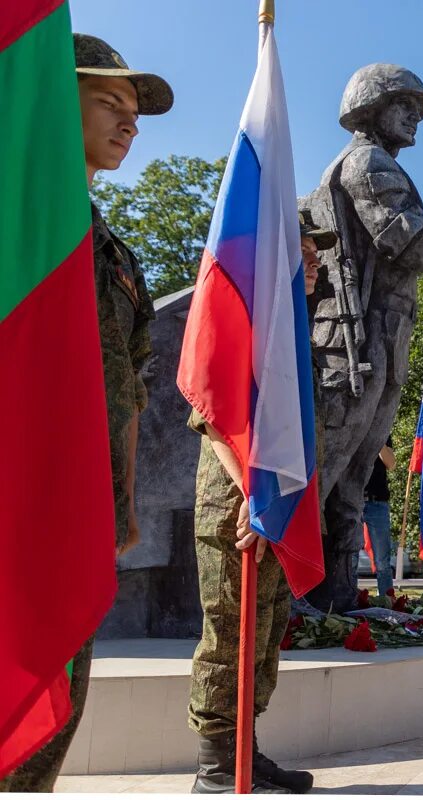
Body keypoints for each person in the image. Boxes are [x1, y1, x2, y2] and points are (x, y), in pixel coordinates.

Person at [0, 33, 173, 794]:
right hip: (15, 498)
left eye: (136, 113)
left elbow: (130, 389)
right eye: (109, 101)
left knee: (55, 701)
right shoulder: (16, 222)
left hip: (77, 514)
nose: (129, 123)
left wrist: (122, 501)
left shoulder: (117, 257)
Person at [186, 211, 336, 793]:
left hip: (276, 508)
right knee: (228, 635)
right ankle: (214, 766)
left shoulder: (291, 332)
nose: (316, 258)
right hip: (236, 508)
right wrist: (253, 495)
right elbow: (212, 415)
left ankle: (246, 749)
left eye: (317, 249)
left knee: (266, 632)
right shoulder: (242, 321)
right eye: (304, 247)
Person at [304, 64, 423, 613]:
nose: (414, 116)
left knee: (354, 474)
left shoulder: (379, 163)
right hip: (352, 338)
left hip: (381, 339)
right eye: (403, 104)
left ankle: (335, 589)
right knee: (327, 467)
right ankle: (291, 590)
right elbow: (418, 249)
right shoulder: (368, 162)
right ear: (370, 107)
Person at [362, 437, 397, 593]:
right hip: (353, 501)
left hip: (377, 502)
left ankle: (386, 600)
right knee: (350, 558)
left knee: (382, 561)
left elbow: (391, 464)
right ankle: (349, 600)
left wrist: (378, 438)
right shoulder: (355, 425)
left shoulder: (383, 433)